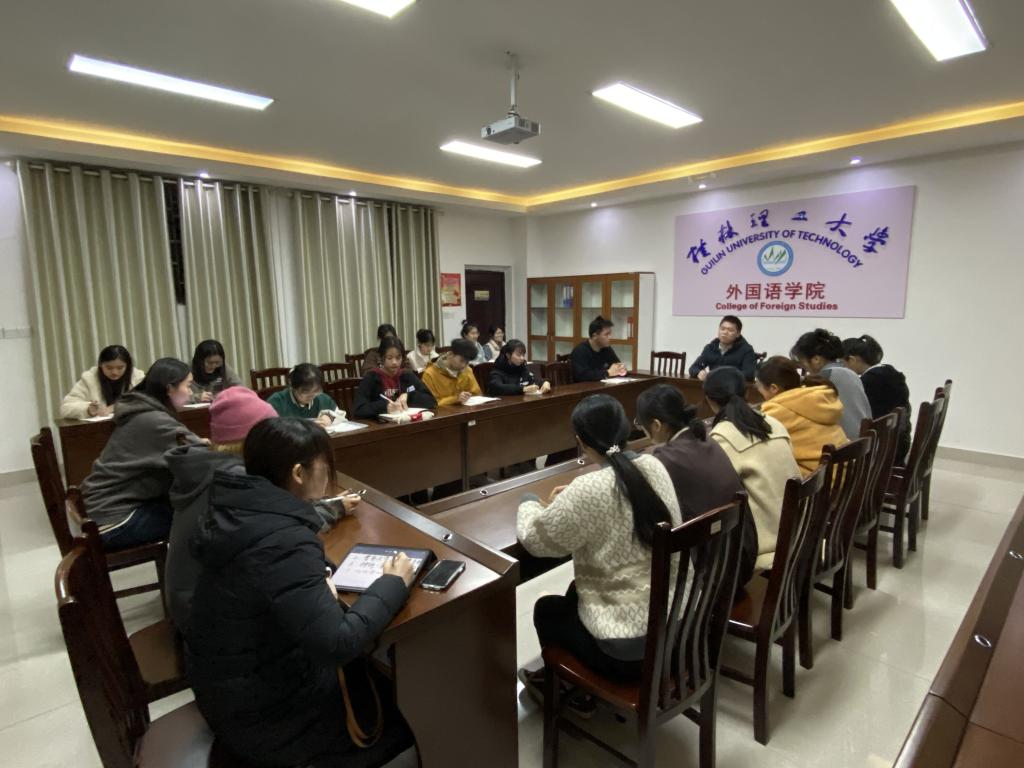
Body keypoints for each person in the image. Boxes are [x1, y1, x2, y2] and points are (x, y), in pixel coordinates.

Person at [186, 418, 417, 767]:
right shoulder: (283, 542)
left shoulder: (235, 509)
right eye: (324, 465)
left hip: (228, 688)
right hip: (269, 720)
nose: (329, 475)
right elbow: (337, 643)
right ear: (298, 473)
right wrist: (393, 582)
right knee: (412, 706)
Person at [517, 395, 682, 710]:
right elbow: (618, 498)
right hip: (676, 632)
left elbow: (536, 541)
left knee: (547, 610)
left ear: (580, 442)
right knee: (574, 593)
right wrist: (574, 500)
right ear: (626, 429)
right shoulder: (654, 465)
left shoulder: (589, 488)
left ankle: (576, 696)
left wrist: (529, 503)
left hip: (627, 656)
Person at [164, 386, 277, 636]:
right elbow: (278, 528)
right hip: (209, 622)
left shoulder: (207, 466)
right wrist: (330, 508)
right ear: (253, 440)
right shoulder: (234, 480)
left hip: (189, 601)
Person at [635, 384, 752, 585]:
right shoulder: (707, 439)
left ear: (656, 425)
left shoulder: (666, 458)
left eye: (641, 425)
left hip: (711, 576)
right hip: (741, 558)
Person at [81, 358, 203, 551]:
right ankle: (187, 571)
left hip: (100, 507)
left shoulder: (140, 411)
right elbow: (201, 454)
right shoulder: (154, 420)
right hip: (113, 520)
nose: (190, 392)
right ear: (169, 389)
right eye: (188, 386)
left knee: (185, 503)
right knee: (201, 516)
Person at [703, 368, 801, 571]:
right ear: (747, 392)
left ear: (709, 400)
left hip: (765, 545)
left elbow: (714, 495)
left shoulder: (721, 438)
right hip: (799, 530)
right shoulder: (774, 424)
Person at [756, 356, 847, 477]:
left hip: (820, 482)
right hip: (842, 474)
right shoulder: (814, 396)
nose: (759, 391)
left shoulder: (777, 410)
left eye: (759, 387)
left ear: (773, 388)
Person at [842, 334, 912, 461]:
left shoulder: (870, 381)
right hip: (899, 440)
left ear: (852, 360)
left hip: (885, 449)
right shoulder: (888, 372)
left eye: (842, 363)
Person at [791, 328, 870, 439]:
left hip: (847, 444)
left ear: (816, 359)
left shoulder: (824, 379)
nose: (803, 368)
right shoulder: (850, 373)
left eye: (802, 362)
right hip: (863, 441)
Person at [353, 336, 437, 418]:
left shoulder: (407, 375)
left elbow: (431, 401)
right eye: (389, 358)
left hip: (406, 422)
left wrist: (408, 396)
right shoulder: (371, 377)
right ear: (382, 358)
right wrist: (384, 407)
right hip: (381, 425)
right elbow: (358, 410)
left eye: (398, 357)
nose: (394, 362)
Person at [60, 344, 144, 419]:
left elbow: (147, 402)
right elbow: (65, 408)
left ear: (127, 366)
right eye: (109, 368)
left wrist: (116, 407)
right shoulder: (89, 379)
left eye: (120, 368)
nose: (114, 372)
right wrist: (87, 409)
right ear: (100, 365)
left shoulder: (137, 377)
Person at [688, 315, 757, 381]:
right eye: (722, 329)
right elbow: (693, 368)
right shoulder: (710, 348)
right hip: (713, 386)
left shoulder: (746, 350)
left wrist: (725, 377)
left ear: (738, 334)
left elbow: (749, 374)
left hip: (734, 387)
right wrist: (699, 373)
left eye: (730, 330)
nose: (725, 332)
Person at [267, 364, 338, 427]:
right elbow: (270, 428)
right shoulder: (277, 401)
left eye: (316, 390)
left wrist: (329, 418)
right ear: (292, 387)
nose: (311, 395)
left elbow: (338, 415)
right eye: (306, 391)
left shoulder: (322, 398)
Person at [420, 339, 482, 406]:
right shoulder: (430, 374)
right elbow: (431, 403)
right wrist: (455, 399)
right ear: (450, 354)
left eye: (467, 362)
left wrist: (468, 396)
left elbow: (477, 394)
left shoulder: (467, 370)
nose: (463, 365)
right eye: (461, 361)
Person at [570, 315, 627, 382]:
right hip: (584, 386)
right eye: (606, 334)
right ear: (595, 336)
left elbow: (616, 364)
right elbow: (583, 375)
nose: (610, 337)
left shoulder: (607, 349)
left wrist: (621, 369)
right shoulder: (580, 351)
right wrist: (607, 373)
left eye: (610, 334)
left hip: (603, 385)